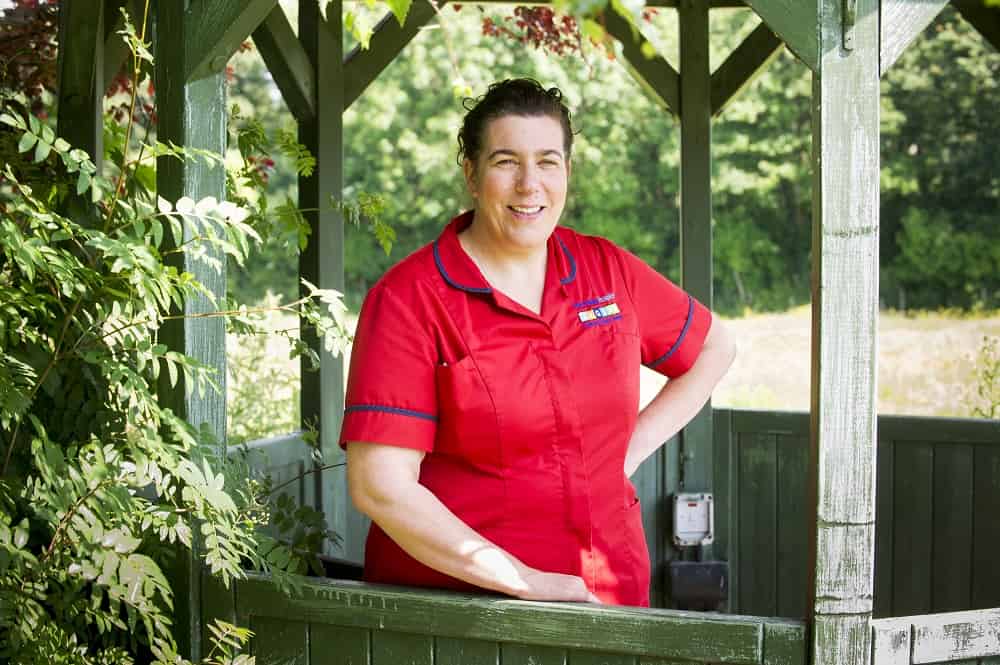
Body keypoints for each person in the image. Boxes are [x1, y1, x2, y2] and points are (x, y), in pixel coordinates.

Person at [340, 78, 736, 607]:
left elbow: (714, 349)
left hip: (610, 594)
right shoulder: (409, 300)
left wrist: (629, 450)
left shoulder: (606, 270)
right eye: (506, 161)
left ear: (567, 172)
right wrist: (522, 578)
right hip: (461, 614)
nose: (530, 184)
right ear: (472, 175)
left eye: (548, 161)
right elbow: (379, 486)